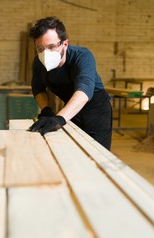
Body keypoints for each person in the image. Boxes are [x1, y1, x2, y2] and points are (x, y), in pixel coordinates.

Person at [28, 16, 112, 150]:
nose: (45, 54)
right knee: (74, 147)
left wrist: (60, 119)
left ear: (65, 44)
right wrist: (46, 109)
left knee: (97, 151)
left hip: (95, 109)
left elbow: (84, 90)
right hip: (71, 106)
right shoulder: (39, 63)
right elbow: (38, 89)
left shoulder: (82, 56)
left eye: (51, 47)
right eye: (40, 49)